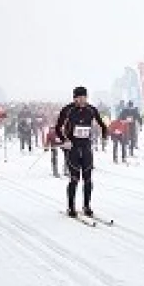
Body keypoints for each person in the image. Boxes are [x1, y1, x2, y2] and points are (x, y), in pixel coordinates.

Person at [54, 86, 108, 217]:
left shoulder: (91, 109)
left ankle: (86, 206)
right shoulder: (68, 110)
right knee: (74, 178)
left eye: (84, 97)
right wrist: (64, 140)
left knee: (88, 179)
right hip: (72, 147)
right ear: (74, 98)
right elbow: (58, 127)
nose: (82, 100)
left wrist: (105, 136)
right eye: (79, 97)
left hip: (86, 147)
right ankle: (71, 207)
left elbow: (102, 124)